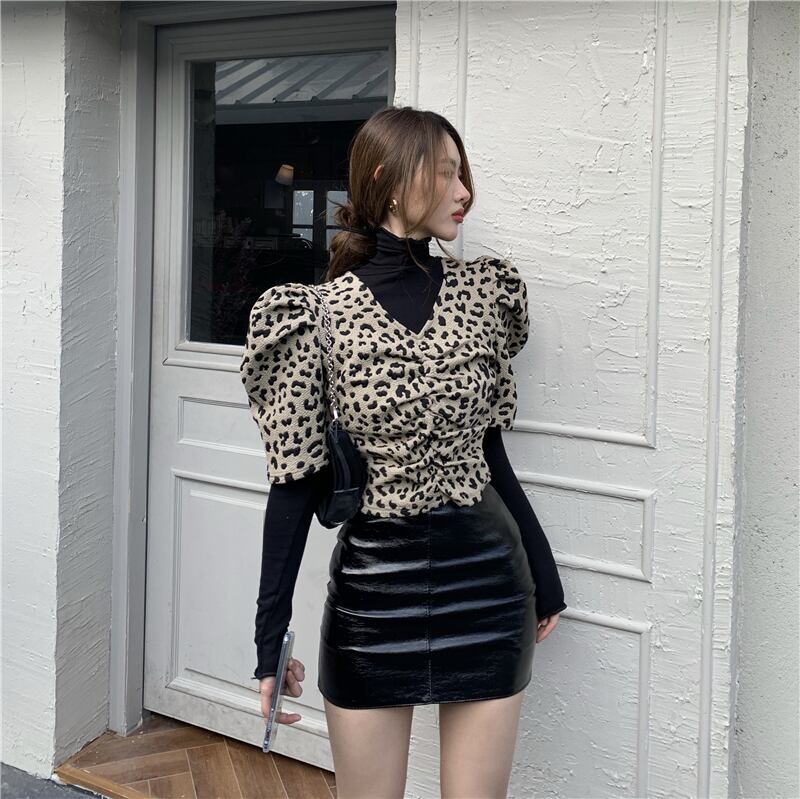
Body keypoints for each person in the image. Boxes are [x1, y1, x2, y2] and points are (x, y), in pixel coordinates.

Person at [240, 105, 567, 799]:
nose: (463, 191)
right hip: (372, 596)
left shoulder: (484, 295)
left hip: (488, 587)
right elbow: (294, 481)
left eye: (462, 173)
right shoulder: (316, 315)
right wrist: (270, 638)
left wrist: (544, 569)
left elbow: (489, 451)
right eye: (445, 173)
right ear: (388, 181)